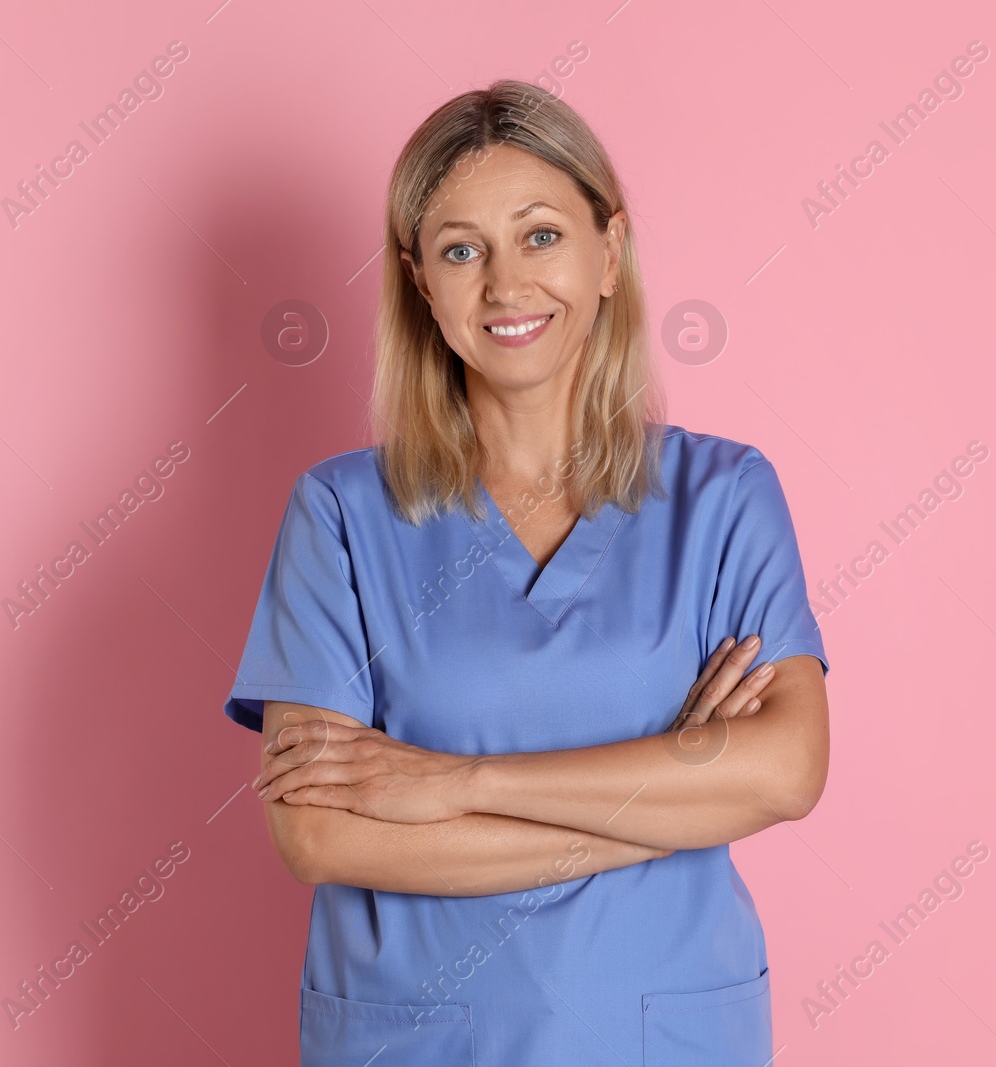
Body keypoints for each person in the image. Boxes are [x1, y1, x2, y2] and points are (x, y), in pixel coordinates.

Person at [224, 78, 830, 1066]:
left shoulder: (723, 496)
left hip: (661, 1034)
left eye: (540, 234)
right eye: (462, 250)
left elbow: (787, 768)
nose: (505, 285)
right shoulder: (338, 514)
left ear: (609, 251)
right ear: (422, 282)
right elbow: (322, 838)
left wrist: (456, 781)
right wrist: (667, 791)